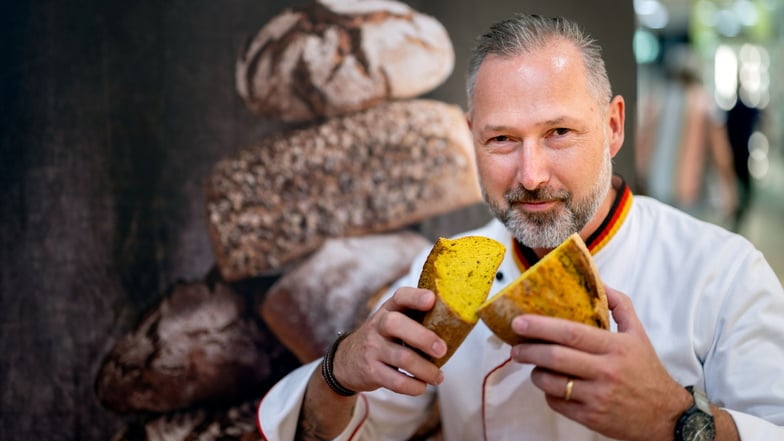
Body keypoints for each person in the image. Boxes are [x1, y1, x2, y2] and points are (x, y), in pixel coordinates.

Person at [257, 13, 784, 441]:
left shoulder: (724, 273)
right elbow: (359, 432)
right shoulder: (441, 275)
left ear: (613, 127)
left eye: (558, 132)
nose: (530, 176)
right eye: (502, 140)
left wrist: (674, 419)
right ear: (471, 139)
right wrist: (339, 369)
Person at [635, 44, 738, 225]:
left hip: (656, 187)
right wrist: (729, 186)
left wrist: (641, 178)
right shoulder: (704, 102)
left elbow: (642, 144)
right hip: (690, 191)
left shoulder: (657, 99)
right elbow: (720, 153)